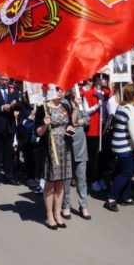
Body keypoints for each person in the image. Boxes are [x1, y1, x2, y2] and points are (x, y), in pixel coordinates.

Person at [35, 87, 75, 229]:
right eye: (58, 89)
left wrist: (70, 128)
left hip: (65, 148)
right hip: (50, 150)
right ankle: (49, 215)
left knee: (61, 183)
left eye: (63, 90)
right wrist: (45, 125)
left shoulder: (65, 106)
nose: (61, 92)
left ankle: (58, 213)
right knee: (51, 183)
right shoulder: (43, 108)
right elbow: (38, 133)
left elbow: (69, 123)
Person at [104, 84, 134, 211]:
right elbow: (133, 132)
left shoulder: (121, 106)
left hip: (117, 143)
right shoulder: (131, 111)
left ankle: (126, 197)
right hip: (124, 145)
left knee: (125, 170)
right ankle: (111, 197)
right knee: (127, 172)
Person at [61, 89, 92, 220]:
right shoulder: (63, 103)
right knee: (67, 178)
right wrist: (75, 111)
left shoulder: (81, 100)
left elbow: (87, 118)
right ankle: (66, 205)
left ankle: (83, 205)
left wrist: (81, 121)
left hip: (80, 143)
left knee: (81, 177)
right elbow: (67, 121)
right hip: (67, 143)